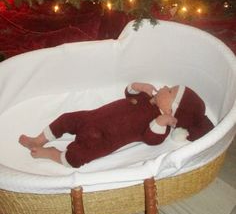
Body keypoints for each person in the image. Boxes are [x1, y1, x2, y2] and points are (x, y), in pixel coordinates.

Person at [19, 82, 214, 168]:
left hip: (103, 139)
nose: (163, 87)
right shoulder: (147, 97)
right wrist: (137, 86)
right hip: (91, 118)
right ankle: (38, 139)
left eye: (169, 91)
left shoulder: (159, 125)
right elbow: (128, 94)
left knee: (77, 157)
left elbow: (151, 139)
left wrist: (161, 122)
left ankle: (53, 154)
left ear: (172, 111)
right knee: (66, 118)